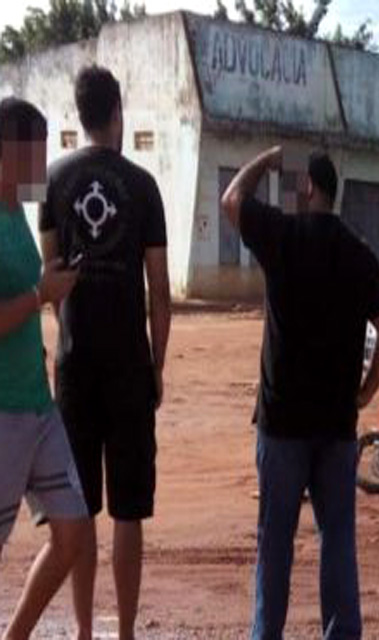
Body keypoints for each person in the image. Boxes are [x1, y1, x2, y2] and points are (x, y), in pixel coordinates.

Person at [221, 146, 379, 640]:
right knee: (337, 537)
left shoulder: (282, 235)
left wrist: (267, 158)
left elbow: (233, 198)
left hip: (282, 426)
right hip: (336, 426)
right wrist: (366, 391)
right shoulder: (358, 252)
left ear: (306, 188)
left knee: (275, 541)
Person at [39, 65, 171, 640]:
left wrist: (70, 329)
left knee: (79, 508)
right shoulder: (143, 187)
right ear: (117, 113)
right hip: (127, 367)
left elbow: (49, 277)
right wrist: (156, 364)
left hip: (75, 367)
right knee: (129, 510)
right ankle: (125, 635)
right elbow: (160, 291)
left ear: (79, 112)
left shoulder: (53, 182)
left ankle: (85, 631)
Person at [0, 97, 89, 640]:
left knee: (73, 531)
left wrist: (48, 283)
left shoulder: (17, 215)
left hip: (37, 405)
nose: (42, 163)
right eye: (35, 151)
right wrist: (39, 294)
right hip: (4, 410)